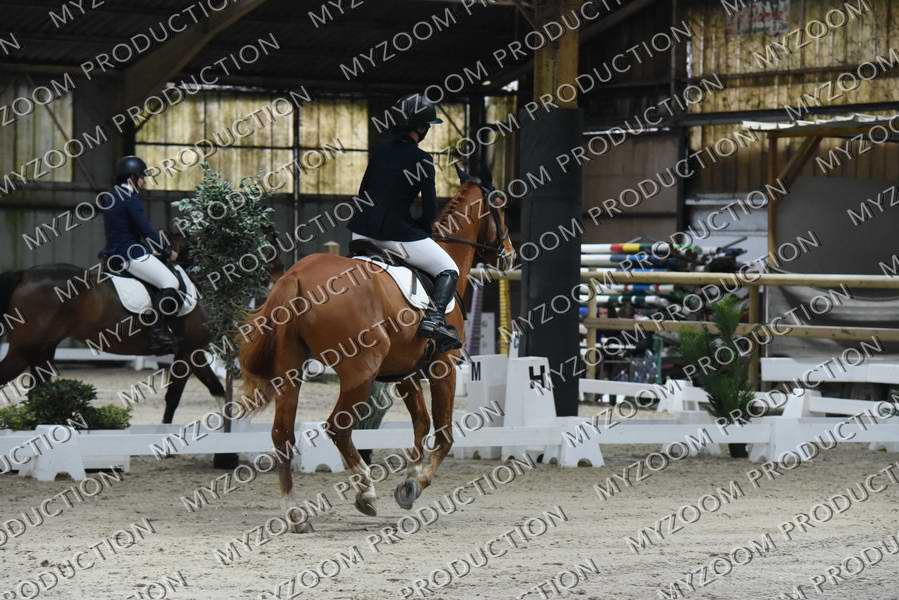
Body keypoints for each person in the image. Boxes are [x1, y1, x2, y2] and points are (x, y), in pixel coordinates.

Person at [347, 93, 461, 351]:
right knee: (449, 269)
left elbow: (363, 192)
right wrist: (420, 229)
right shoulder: (423, 160)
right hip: (395, 236)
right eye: (427, 126)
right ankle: (434, 321)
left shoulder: (379, 151)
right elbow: (430, 210)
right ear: (420, 128)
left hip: (360, 233)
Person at [100, 155, 181, 354]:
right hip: (130, 255)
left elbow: (124, 229)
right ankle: (158, 333)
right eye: (142, 177)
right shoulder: (130, 198)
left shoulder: (111, 195)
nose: (143, 182)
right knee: (171, 282)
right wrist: (167, 251)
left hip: (113, 253)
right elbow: (147, 230)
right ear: (132, 178)